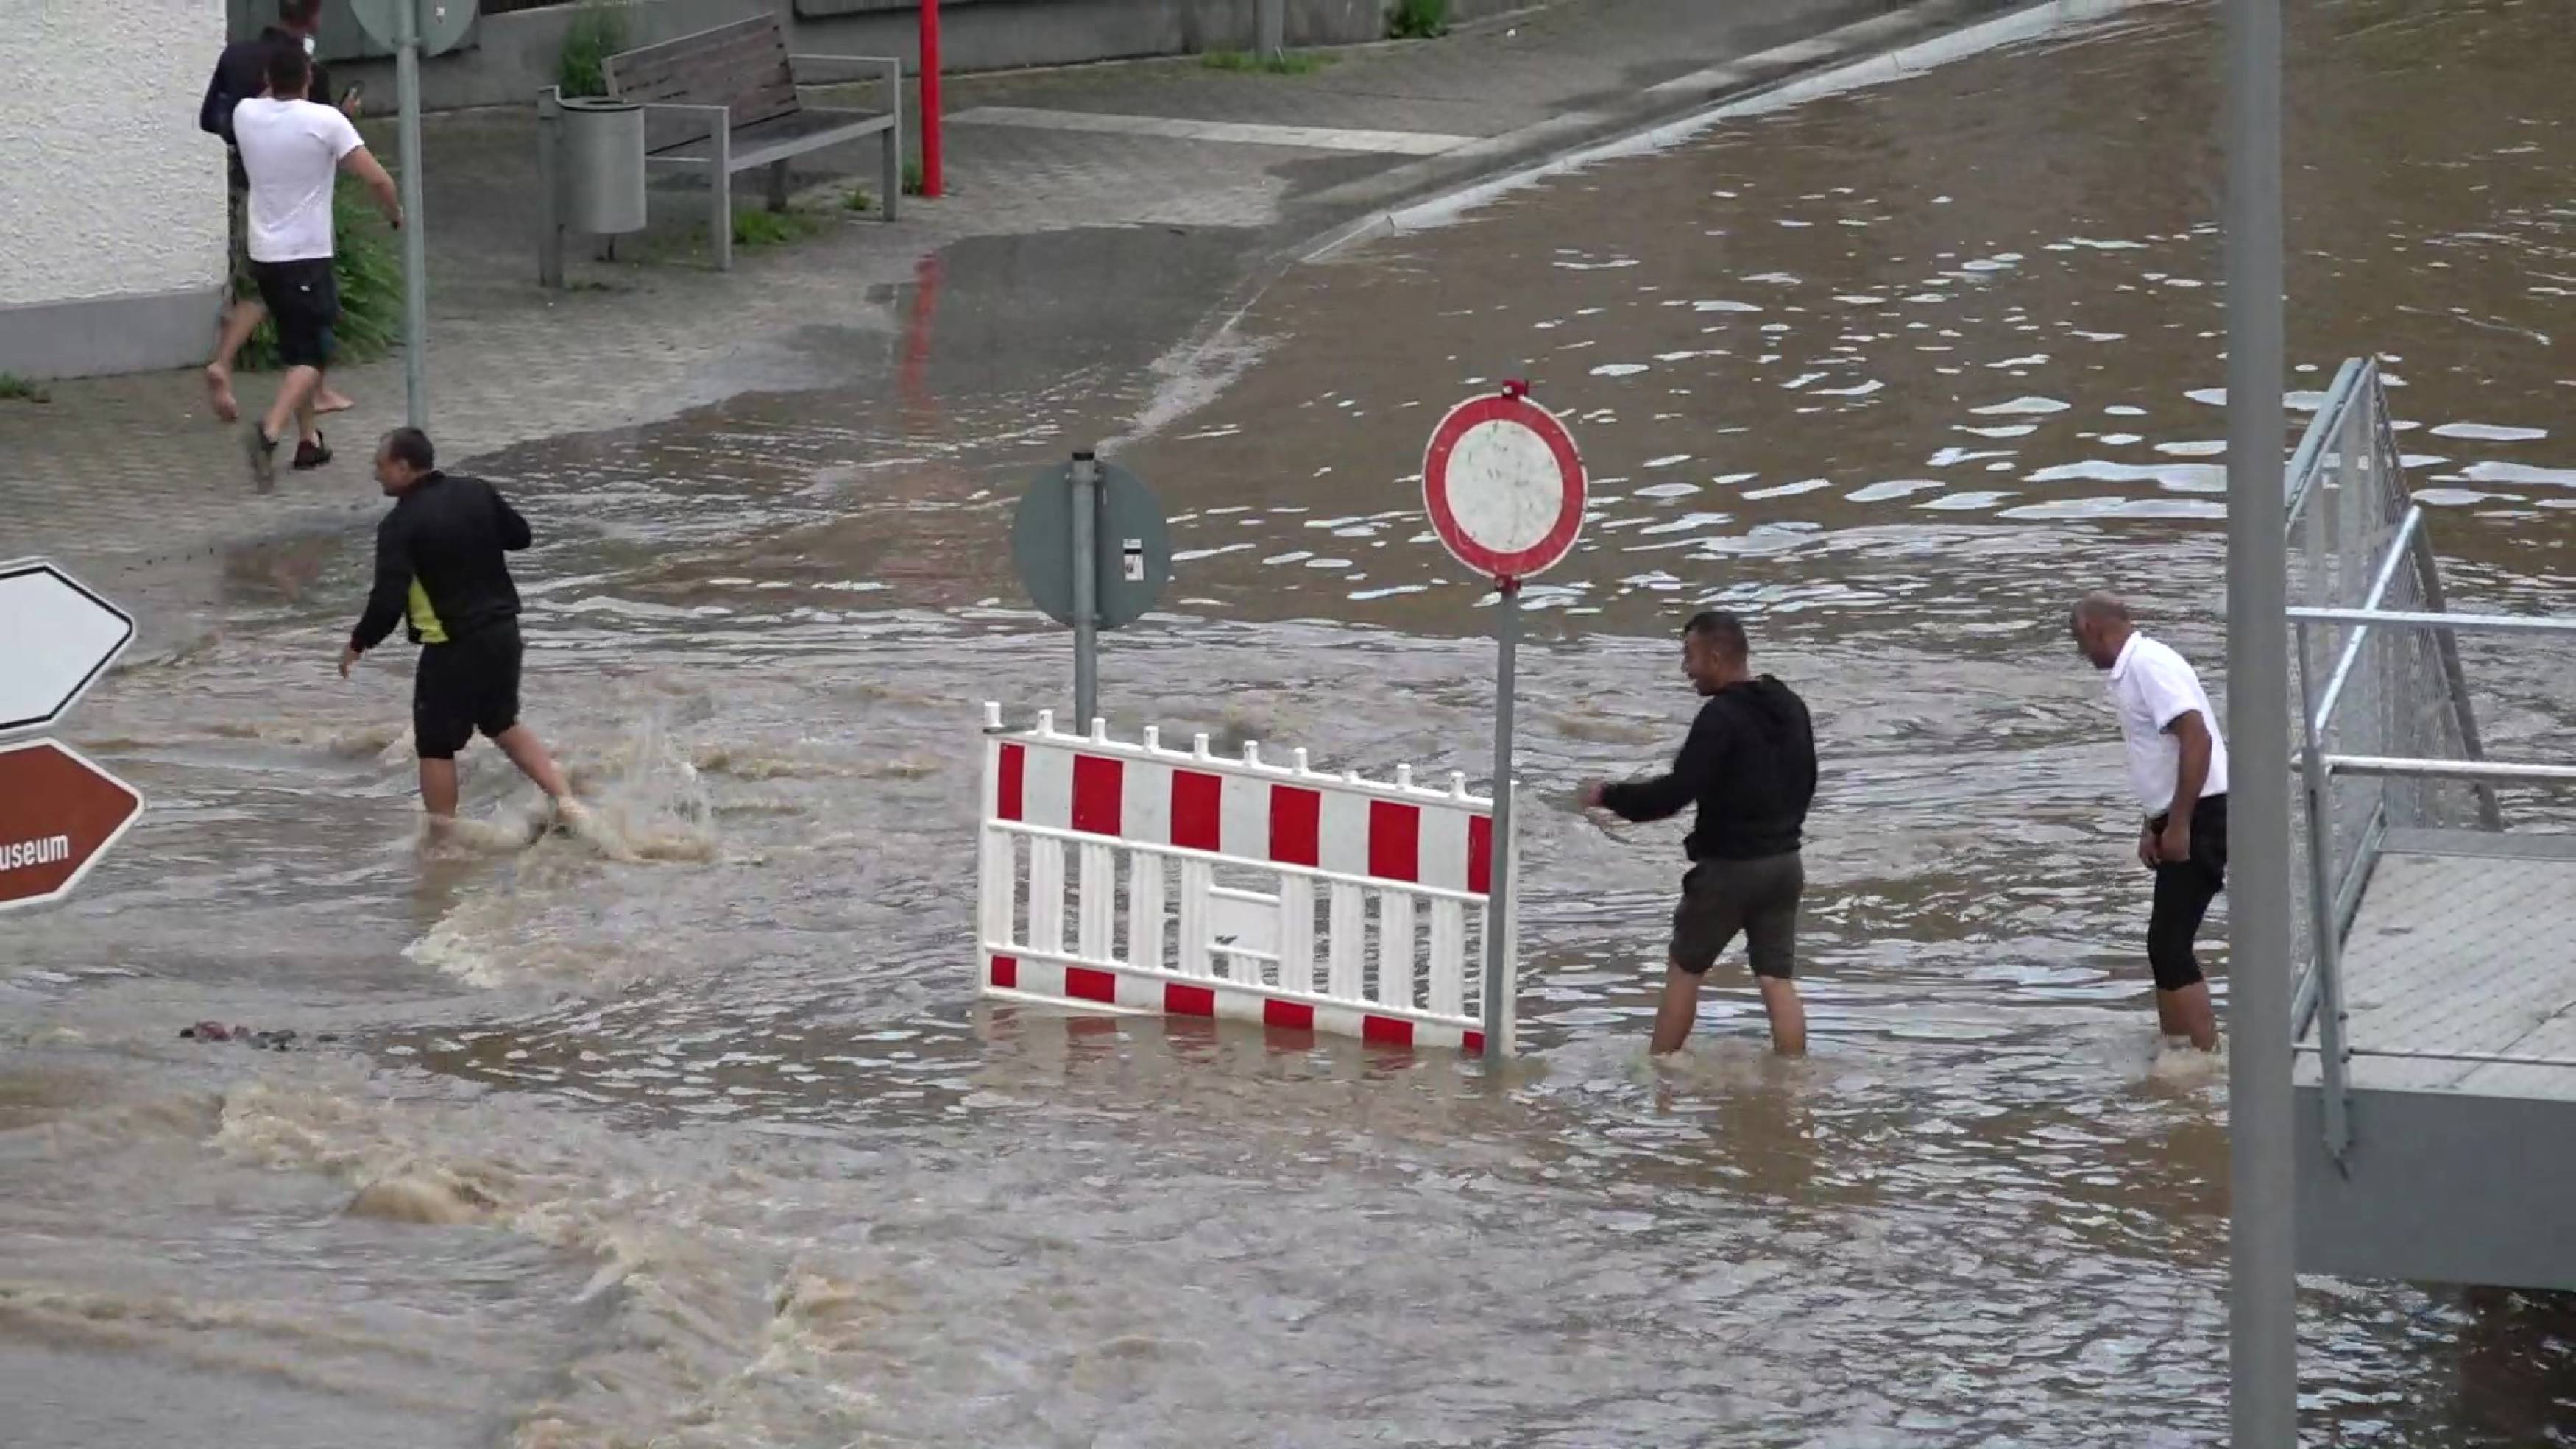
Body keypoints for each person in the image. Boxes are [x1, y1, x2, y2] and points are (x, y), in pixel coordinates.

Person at [1579, 611, 1818, 1057]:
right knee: (1776, 978)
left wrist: (1607, 795)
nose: (1685, 669)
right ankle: (1792, 1082)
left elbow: (1672, 795)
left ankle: (1658, 1073)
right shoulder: (1790, 704)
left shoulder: (1719, 717)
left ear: (1714, 655)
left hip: (1730, 871)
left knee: (1685, 969)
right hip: (1786, 864)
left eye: (1689, 656)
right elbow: (1809, 778)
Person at [340, 428, 578, 834]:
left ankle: (443, 840)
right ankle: (568, 801)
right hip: (504, 633)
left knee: (434, 743)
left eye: (380, 467)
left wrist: (357, 644)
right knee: (501, 721)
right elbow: (521, 537)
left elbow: (388, 600)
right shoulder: (477, 491)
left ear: (402, 466)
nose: (376, 475)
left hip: (453, 647)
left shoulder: (400, 525)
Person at [231, 43, 400, 488]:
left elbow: (285, 118)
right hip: (304, 256)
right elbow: (377, 178)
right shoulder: (327, 123)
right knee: (314, 353)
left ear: (269, 78)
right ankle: (269, 433)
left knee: (295, 349)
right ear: (308, 78)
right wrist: (396, 216)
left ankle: (309, 442)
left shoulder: (245, 115)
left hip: (264, 254)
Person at [2068, 593, 2228, 1052]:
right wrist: (2152, 825)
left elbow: (2196, 738)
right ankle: (2176, 1046)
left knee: (2170, 943)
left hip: (2203, 811)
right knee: (2163, 942)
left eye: (2081, 642)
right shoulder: (2135, 670)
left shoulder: (2148, 665)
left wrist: (2178, 825)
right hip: (2181, 812)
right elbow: (2158, 756)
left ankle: (2201, 1055)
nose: (2083, 654)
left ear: (2094, 630)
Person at [199, 0, 361, 425]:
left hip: (245, 188)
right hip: (300, 210)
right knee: (309, 301)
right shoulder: (311, 71)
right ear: (312, 17)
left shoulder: (235, 56)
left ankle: (224, 360)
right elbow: (323, 134)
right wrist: (345, 116)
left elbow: (208, 118)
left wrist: (244, 137)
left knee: (258, 287)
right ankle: (317, 390)